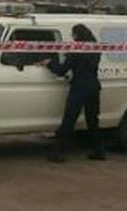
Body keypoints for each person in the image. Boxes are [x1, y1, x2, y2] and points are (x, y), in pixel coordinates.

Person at [43, 24, 106, 162]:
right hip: (94, 87)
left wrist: (49, 63)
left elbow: (61, 70)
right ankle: (99, 151)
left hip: (79, 88)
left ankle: (59, 153)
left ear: (77, 35)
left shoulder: (76, 50)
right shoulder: (95, 49)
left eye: (73, 35)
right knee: (93, 120)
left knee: (69, 120)